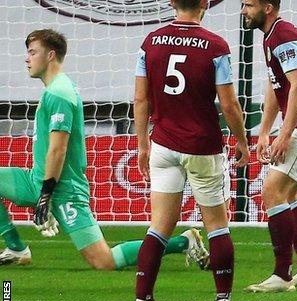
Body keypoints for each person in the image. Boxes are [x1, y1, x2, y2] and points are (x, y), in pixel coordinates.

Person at [0, 29, 207, 272]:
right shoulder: (53, 90)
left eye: (33, 52)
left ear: (50, 55)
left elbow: (58, 149)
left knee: (104, 261)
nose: (27, 58)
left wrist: (46, 195)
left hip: (63, 190)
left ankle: (183, 241)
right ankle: (16, 247)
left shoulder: (60, 93)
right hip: (37, 180)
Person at [131, 0, 250, 301]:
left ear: (171, 2)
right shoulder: (215, 45)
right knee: (216, 225)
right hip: (202, 146)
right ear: (204, 4)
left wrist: (143, 145)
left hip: (163, 144)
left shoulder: (150, 42)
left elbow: (141, 99)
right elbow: (228, 103)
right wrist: (241, 140)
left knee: (159, 227)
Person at [241, 0, 297, 293]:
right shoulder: (271, 36)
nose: (244, 9)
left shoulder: (283, 37)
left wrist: (285, 135)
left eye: (249, 4)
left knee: (272, 191)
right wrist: (266, 131)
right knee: (290, 193)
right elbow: (275, 85)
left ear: (267, 8)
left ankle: (282, 275)